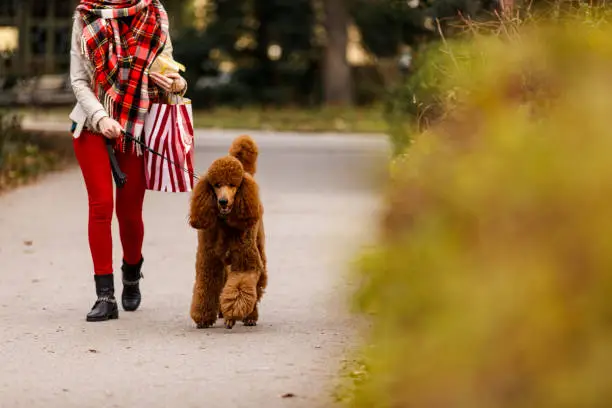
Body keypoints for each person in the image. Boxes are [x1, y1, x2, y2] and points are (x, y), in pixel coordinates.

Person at [69, 0, 187, 322]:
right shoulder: (86, 15)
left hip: (135, 124)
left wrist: (176, 84)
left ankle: (132, 273)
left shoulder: (154, 15)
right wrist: (100, 116)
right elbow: (79, 80)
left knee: (130, 212)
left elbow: (171, 70)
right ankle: (104, 296)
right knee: (101, 207)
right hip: (93, 124)